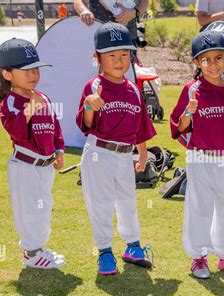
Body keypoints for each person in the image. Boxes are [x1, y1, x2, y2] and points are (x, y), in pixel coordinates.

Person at [76, 22, 156, 275]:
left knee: (127, 202)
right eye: (111, 55)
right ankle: (104, 251)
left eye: (124, 54)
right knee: (100, 203)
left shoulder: (133, 89)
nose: (119, 60)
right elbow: (86, 125)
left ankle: (132, 246)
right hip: (99, 152)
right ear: (96, 57)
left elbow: (140, 125)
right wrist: (90, 105)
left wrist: (143, 153)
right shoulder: (93, 86)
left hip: (124, 155)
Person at [170, 31, 224, 280]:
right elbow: (178, 127)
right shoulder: (192, 89)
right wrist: (188, 113)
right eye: (205, 60)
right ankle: (199, 257)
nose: (212, 65)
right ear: (196, 63)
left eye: (218, 58)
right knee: (200, 207)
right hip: (200, 157)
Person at [0, 38, 66, 269]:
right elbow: (17, 132)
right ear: (7, 74)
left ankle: (39, 247)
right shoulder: (10, 103)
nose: (33, 75)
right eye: (25, 70)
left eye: (35, 69)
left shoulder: (42, 97)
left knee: (43, 206)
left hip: (44, 165)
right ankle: (31, 252)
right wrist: (29, 110)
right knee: (29, 209)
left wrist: (59, 149)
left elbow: (54, 125)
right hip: (24, 166)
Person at [74, 0, 149, 48]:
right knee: (95, 67)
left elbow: (144, 2)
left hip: (127, 32)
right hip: (98, 32)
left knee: (127, 67)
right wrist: (84, 11)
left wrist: (134, 12)